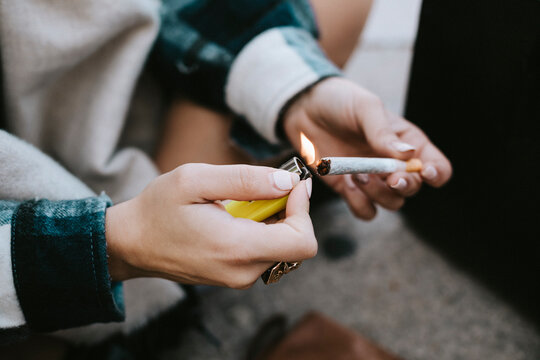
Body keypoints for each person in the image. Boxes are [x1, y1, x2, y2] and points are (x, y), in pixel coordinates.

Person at [0, 0, 451, 348]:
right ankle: (128, 314)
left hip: (132, 107)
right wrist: (116, 244)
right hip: (37, 246)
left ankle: (193, 238)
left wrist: (297, 90)